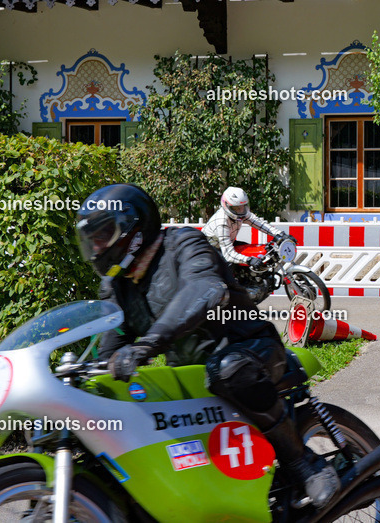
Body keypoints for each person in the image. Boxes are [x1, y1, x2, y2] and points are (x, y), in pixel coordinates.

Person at [75, 183, 339, 507]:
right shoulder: (117, 285)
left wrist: (145, 347)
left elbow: (205, 289)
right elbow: (110, 349)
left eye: (104, 235)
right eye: (93, 241)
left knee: (228, 369)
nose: (98, 247)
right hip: (193, 377)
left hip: (251, 350)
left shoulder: (183, 243)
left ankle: (304, 462)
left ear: (133, 228)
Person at [203, 186, 292, 269]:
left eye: (242, 207)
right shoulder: (222, 222)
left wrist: (280, 234)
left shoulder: (241, 214)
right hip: (210, 250)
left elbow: (260, 224)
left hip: (227, 243)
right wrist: (248, 260)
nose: (240, 210)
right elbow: (228, 254)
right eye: (236, 208)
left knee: (251, 250)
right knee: (229, 273)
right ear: (226, 205)